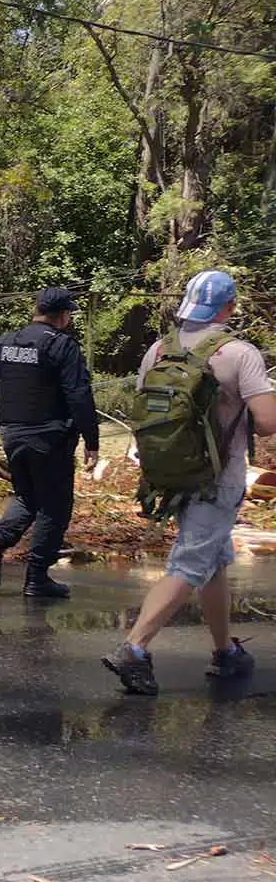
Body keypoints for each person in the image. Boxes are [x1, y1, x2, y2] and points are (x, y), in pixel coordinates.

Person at [103, 270, 275, 696]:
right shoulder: (240, 353)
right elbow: (268, 424)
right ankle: (135, 649)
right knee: (189, 564)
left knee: (212, 560)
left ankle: (225, 652)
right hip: (219, 480)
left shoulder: (160, 349)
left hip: (171, 476)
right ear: (229, 308)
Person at [0, 287, 99, 599]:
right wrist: (91, 439)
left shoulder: (7, 342)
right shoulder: (62, 346)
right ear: (62, 315)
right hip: (49, 437)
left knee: (26, 497)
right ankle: (37, 577)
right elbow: (79, 395)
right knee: (55, 507)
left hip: (13, 433)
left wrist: (4, 425)